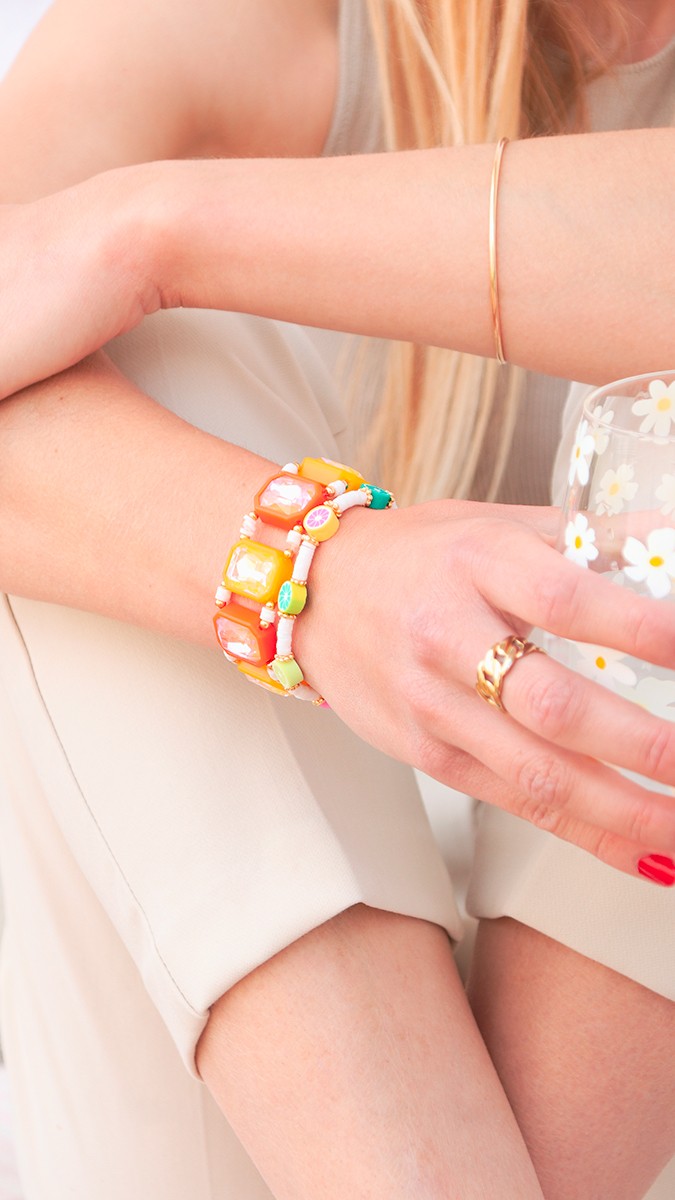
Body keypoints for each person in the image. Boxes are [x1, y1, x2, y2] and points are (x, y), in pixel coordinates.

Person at [0, 1, 674, 1197]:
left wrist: (151, 227)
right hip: (238, 1055)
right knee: (104, 376)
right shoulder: (222, 36)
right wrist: (315, 575)